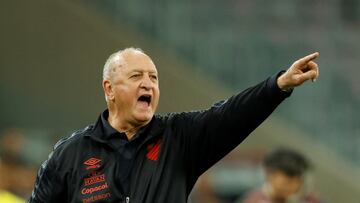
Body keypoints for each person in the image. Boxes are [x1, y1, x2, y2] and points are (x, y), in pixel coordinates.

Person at [28, 48, 319, 203]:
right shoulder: (69, 154)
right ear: (109, 89)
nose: (148, 83)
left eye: (154, 78)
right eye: (136, 76)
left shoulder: (179, 138)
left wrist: (277, 85)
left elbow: (231, 115)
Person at [240, 148, 321, 203]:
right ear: (269, 175)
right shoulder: (255, 199)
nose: (294, 187)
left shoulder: (309, 198)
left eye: (299, 182)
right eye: (288, 182)